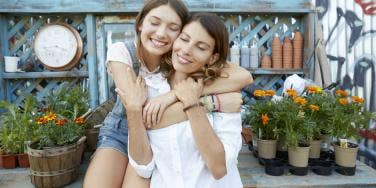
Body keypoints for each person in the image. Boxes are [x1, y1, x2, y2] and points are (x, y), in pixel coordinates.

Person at [83, 0, 252, 187]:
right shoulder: (124, 54)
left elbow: (244, 75)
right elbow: (137, 110)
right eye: (154, 23)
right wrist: (214, 102)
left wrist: (175, 95)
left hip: (147, 132)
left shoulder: (182, 61)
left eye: (173, 28)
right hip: (125, 126)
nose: (161, 33)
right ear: (140, 24)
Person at [117, 12, 244, 188]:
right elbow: (143, 167)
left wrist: (193, 105)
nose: (186, 50)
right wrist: (133, 111)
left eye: (201, 47)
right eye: (184, 39)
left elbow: (218, 168)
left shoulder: (224, 94)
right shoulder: (149, 88)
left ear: (212, 58)